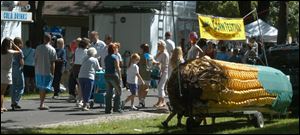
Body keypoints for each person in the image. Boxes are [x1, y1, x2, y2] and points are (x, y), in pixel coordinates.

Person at [35, 33, 57, 110]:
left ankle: (42, 103)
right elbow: (53, 62)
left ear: (44, 39)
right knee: (44, 88)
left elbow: (35, 59)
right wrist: (53, 72)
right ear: (50, 40)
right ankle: (41, 104)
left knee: (41, 88)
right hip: (47, 71)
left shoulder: (38, 48)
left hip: (38, 70)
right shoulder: (52, 49)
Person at [1, 38, 22, 113]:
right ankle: (1, 107)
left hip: (2, 71)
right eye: (10, 43)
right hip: (6, 73)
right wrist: (14, 44)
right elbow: (20, 51)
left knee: (2, 92)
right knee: (2, 92)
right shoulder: (10, 51)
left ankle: (2, 106)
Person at [104, 43, 123, 114]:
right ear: (113, 49)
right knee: (118, 91)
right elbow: (117, 67)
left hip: (106, 75)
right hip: (113, 75)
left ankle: (107, 109)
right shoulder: (115, 57)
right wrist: (120, 76)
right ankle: (117, 108)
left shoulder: (106, 57)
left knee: (109, 93)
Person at [153, 40, 169, 108]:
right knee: (160, 87)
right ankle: (161, 101)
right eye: (157, 45)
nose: (158, 47)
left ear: (163, 46)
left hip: (163, 71)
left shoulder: (165, 53)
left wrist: (156, 62)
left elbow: (163, 64)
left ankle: (161, 102)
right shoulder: (160, 53)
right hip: (160, 71)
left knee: (160, 87)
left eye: (159, 45)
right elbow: (156, 60)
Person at [10, 37, 25, 110]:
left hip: (12, 70)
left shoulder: (11, 51)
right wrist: (22, 67)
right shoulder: (20, 51)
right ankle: (16, 101)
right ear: (19, 43)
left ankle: (13, 102)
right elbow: (22, 62)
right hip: (18, 70)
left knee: (13, 87)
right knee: (21, 86)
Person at [73, 38, 89, 107]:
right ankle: (79, 100)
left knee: (79, 85)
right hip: (81, 68)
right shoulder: (86, 51)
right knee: (81, 86)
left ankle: (79, 98)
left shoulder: (77, 50)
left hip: (75, 68)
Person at [137, 44, 153, 108]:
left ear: (143, 49)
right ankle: (142, 100)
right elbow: (150, 66)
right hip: (148, 75)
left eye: (141, 48)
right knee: (146, 88)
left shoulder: (141, 56)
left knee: (140, 89)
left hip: (141, 74)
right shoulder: (150, 56)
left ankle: (141, 102)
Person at [67, 38, 81, 102]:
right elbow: (71, 57)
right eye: (76, 42)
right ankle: (72, 94)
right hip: (74, 67)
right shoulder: (76, 49)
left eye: (77, 42)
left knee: (78, 82)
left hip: (79, 68)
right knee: (71, 80)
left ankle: (79, 95)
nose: (76, 43)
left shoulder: (82, 50)